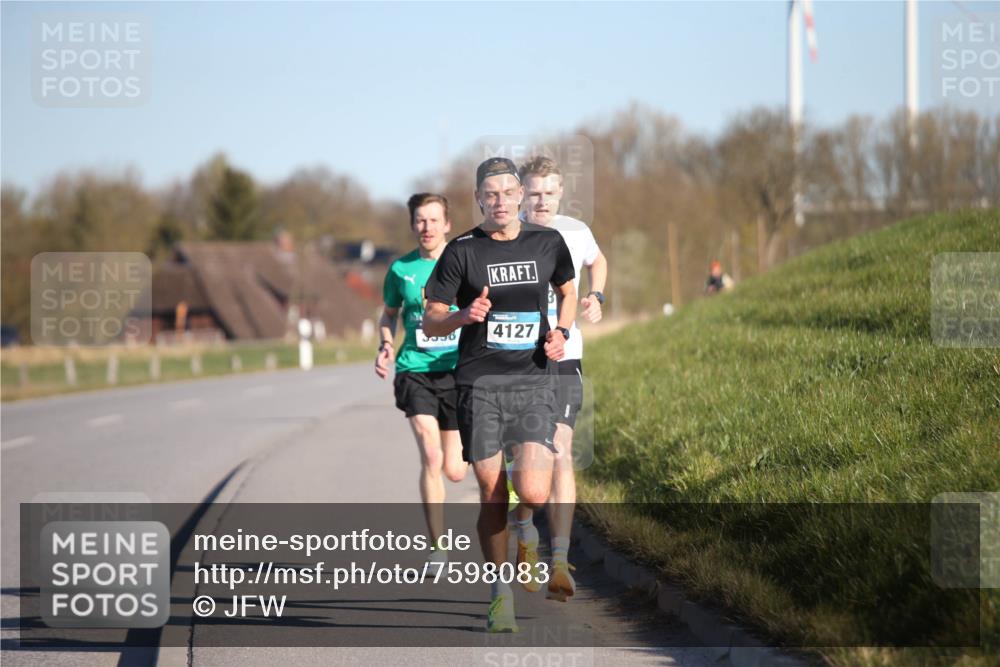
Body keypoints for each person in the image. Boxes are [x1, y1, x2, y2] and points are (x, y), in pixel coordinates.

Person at [422, 157, 576, 632]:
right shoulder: (462, 251)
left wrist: (562, 332)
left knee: (531, 488)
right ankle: (499, 594)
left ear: (521, 195)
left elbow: (568, 290)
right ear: (478, 199)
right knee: (491, 494)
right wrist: (462, 317)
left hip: (532, 381)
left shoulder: (547, 242)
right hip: (479, 385)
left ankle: (527, 528)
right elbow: (431, 317)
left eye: (510, 192)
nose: (502, 201)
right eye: (491, 194)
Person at [512, 156, 608, 602]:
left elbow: (599, 260)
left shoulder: (576, 231)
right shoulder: (506, 235)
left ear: (561, 193)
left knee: (563, 449)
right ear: (521, 195)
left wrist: (596, 295)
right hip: (517, 361)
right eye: (534, 193)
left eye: (550, 192)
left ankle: (560, 559)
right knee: (529, 466)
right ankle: (527, 533)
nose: (542, 200)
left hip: (566, 355)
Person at [375, 193, 468, 567]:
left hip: (457, 370)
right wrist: (385, 344)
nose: (426, 227)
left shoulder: (464, 261)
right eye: (420, 220)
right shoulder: (401, 270)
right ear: (413, 225)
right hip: (415, 370)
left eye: (434, 220)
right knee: (430, 454)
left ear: (447, 224)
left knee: (456, 471)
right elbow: (388, 315)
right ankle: (438, 548)